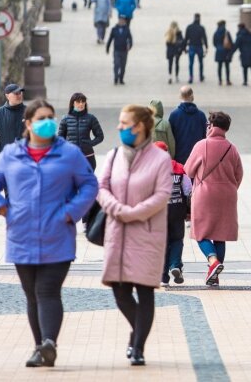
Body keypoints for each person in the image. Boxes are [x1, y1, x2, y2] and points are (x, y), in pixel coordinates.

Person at [0, 99, 99, 368]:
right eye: (41, 118)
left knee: (47, 290)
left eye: (50, 117)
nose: (47, 122)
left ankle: (48, 343)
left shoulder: (69, 153)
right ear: (28, 123)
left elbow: (89, 185)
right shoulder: (12, 153)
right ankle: (41, 347)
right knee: (32, 294)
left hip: (58, 234)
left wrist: (71, 212)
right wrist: (0, 207)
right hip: (21, 235)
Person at [97, 104, 171, 366]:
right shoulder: (114, 155)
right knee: (119, 290)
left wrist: (134, 213)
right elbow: (102, 187)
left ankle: (138, 346)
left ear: (139, 126)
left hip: (146, 234)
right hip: (118, 231)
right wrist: (118, 209)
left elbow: (162, 195)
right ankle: (137, 329)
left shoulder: (160, 159)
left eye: (124, 123)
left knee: (145, 290)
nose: (119, 127)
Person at [184, 111, 243, 286]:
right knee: (220, 234)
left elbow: (188, 170)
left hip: (205, 193)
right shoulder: (232, 148)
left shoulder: (201, 145)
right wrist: (230, 187)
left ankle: (213, 262)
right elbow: (239, 173)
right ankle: (214, 277)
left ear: (211, 126)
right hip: (227, 194)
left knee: (200, 232)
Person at [153, 141, 192, 286]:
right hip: (177, 211)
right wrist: (188, 211)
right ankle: (175, 265)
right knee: (177, 239)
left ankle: (163, 277)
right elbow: (188, 190)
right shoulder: (179, 168)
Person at [57, 92, 104, 170]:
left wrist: (90, 143)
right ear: (73, 103)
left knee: (88, 180)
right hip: (71, 156)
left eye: (83, 102)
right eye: (78, 102)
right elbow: (60, 138)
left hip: (88, 156)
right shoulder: (65, 119)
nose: (81, 104)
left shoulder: (91, 118)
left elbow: (100, 136)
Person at [0, 84, 27, 166]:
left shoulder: (29, 112)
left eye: (20, 93)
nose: (19, 95)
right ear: (7, 96)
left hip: (25, 158)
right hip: (5, 159)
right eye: (16, 93)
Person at [168, 86, 207, 164]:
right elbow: (205, 137)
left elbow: (171, 139)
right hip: (197, 158)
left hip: (179, 158)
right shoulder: (201, 115)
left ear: (180, 96)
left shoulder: (174, 115)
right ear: (192, 96)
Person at [106, 16, 133, 85]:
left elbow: (130, 39)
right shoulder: (114, 29)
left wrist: (130, 45)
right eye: (120, 20)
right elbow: (110, 39)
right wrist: (107, 48)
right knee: (116, 64)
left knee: (123, 66)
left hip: (124, 50)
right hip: (116, 50)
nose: (121, 21)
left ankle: (121, 78)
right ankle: (115, 77)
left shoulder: (127, 29)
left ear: (124, 21)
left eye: (122, 20)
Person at [185, 13, 208, 84]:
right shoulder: (201, 28)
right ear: (199, 18)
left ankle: (191, 77)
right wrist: (206, 47)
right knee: (200, 62)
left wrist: (184, 47)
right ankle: (201, 76)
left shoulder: (189, 27)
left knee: (191, 63)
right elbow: (204, 38)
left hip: (191, 46)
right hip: (199, 46)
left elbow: (186, 38)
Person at [212, 20, 234, 86]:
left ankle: (220, 80)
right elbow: (231, 42)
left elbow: (214, 43)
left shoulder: (216, 33)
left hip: (219, 51)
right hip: (226, 51)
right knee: (227, 66)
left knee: (219, 66)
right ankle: (227, 80)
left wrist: (218, 47)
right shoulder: (227, 32)